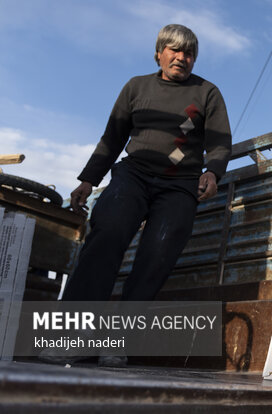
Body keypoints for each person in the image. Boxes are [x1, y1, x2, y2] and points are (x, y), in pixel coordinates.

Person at [40, 24, 232, 367]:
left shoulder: (207, 93)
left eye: (189, 53)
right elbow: (112, 137)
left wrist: (213, 171)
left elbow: (219, 142)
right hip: (134, 174)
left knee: (159, 250)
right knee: (107, 234)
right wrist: (88, 179)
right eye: (174, 50)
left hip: (179, 183)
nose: (181, 58)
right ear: (159, 53)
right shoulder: (136, 87)